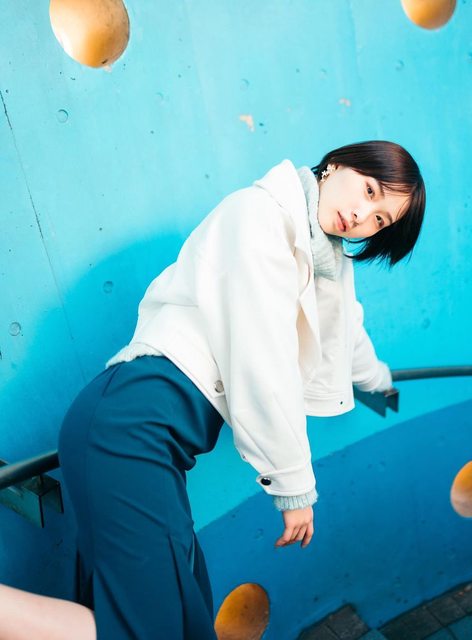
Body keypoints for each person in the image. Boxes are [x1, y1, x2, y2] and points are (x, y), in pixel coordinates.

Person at [0, 140, 425, 639]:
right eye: (369, 191)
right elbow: (262, 359)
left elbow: (348, 335)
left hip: (157, 442)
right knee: (148, 630)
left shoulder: (326, 262)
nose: (362, 216)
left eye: (380, 220)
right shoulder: (259, 216)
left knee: (186, 620)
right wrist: (294, 487)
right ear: (336, 165)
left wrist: (381, 383)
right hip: (131, 422)